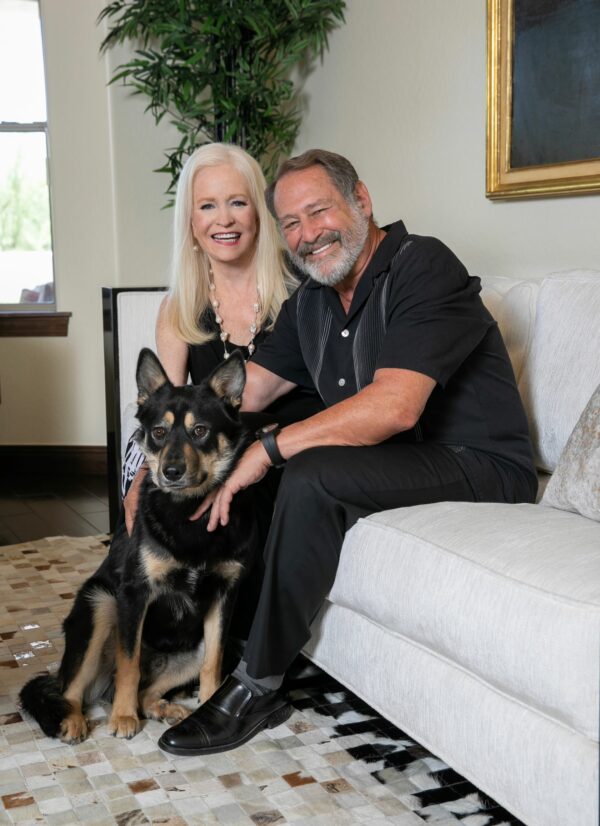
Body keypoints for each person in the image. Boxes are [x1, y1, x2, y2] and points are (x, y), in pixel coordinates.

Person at [158, 148, 538, 757]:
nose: (308, 235)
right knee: (274, 468)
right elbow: (249, 390)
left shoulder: (423, 265)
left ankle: (256, 686)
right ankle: (227, 640)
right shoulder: (313, 300)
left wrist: (268, 449)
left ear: (360, 200)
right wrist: (170, 439)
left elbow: (395, 407)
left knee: (304, 471)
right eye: (292, 224)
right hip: (403, 461)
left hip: (481, 463)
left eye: (319, 212)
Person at [122, 142, 322, 532]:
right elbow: (165, 411)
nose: (224, 220)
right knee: (148, 493)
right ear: (191, 222)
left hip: (295, 451)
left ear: (260, 214)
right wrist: (138, 481)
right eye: (207, 206)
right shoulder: (179, 308)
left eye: (238, 203)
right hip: (218, 451)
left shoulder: (306, 286)